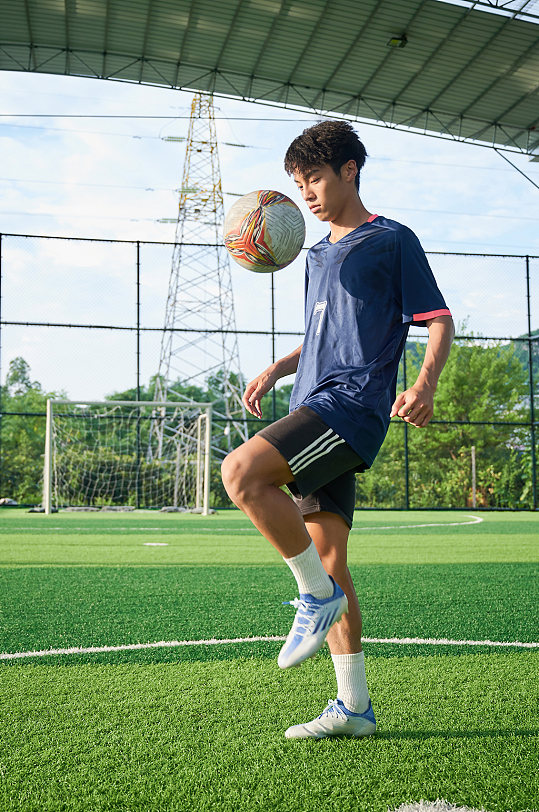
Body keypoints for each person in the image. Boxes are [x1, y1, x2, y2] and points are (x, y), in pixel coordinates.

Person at [221, 120, 454, 739]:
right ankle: (354, 708)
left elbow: (437, 318)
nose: (307, 193)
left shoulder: (391, 240)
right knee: (330, 559)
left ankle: (314, 597)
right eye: (298, 183)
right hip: (313, 398)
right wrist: (278, 367)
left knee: (241, 473)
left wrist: (424, 385)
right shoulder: (317, 254)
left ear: (350, 171)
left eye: (315, 179)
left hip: (350, 407)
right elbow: (326, 331)